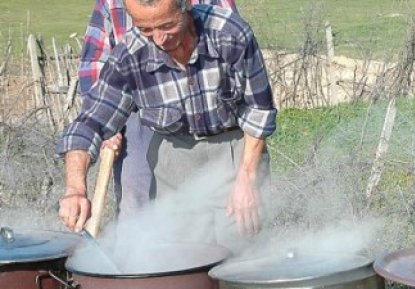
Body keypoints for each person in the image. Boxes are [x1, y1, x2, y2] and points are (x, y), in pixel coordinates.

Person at [57, 0, 276, 239]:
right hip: (173, 158)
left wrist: (247, 178)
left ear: (187, 7)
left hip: (233, 153)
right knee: (181, 257)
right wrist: (75, 188)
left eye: (167, 25)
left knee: (240, 248)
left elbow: (258, 110)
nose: (159, 39)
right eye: (146, 29)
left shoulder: (230, 34)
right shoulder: (129, 55)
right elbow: (89, 123)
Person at [77, 0, 238, 219]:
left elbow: (234, 44)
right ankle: (137, 250)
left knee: (218, 204)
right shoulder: (111, 3)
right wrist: (107, 125)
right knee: (137, 202)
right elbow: (95, 62)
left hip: (204, 109)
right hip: (140, 112)